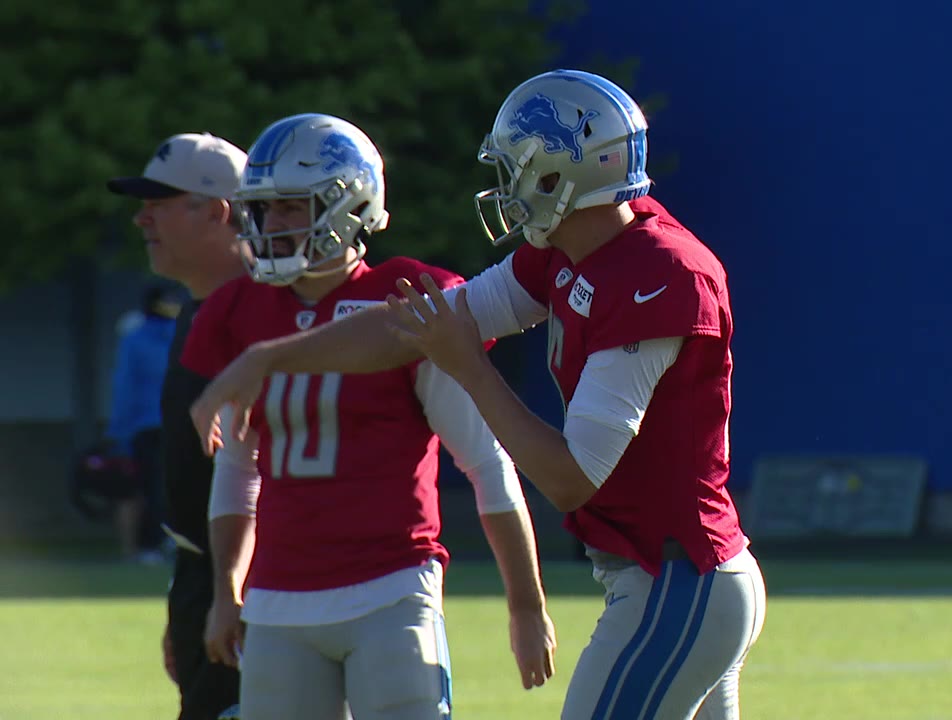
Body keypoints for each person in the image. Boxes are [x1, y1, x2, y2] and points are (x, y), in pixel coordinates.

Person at [191, 71, 766, 720]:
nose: (505, 187)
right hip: (658, 577)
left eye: (515, 168)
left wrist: (468, 367)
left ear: (557, 175)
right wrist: (269, 360)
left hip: (680, 579)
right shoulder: (569, 253)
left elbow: (571, 478)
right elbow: (413, 328)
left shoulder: (657, 273)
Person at [183, 113, 555, 720]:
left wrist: (525, 604)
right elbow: (238, 468)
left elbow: (486, 463)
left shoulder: (406, 296)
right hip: (277, 595)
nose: (270, 226)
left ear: (349, 205)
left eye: (289, 208)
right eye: (264, 209)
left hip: (391, 586)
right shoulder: (237, 308)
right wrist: (228, 589)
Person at [107, 132, 248, 719]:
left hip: (258, 590)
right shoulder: (197, 310)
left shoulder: (265, 314)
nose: (142, 219)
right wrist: (188, 599)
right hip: (204, 581)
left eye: (159, 203)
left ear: (216, 212)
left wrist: (227, 593)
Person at [105, 284, 181, 564]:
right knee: (176, 485)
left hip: (146, 426)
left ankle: (151, 544)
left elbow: (125, 387)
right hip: (182, 423)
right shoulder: (184, 333)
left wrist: (119, 431)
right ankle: (174, 542)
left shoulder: (135, 339)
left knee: (148, 488)